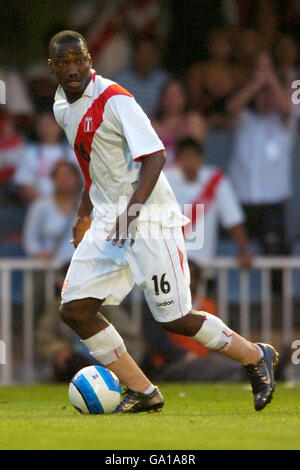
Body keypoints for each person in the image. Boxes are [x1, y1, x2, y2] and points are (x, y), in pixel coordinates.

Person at [48, 30, 279, 414]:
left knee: (176, 319)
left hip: (149, 218)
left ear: (91, 60)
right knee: (74, 309)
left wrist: (133, 212)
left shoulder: (115, 99)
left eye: (80, 59)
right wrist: (83, 212)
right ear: (53, 66)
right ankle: (143, 391)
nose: (73, 68)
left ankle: (255, 355)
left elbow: (155, 156)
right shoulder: (61, 106)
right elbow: (92, 165)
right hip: (108, 221)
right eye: (65, 62)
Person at [227, 53, 295, 271]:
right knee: (239, 261)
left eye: (270, 94)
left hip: (272, 206)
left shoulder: (285, 124)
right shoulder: (245, 120)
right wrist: (258, 82)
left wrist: (270, 78)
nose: (266, 98)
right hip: (242, 203)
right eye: (261, 95)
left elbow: (287, 108)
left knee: (275, 264)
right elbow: (231, 107)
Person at [164, 138, 252, 270]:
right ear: (178, 160)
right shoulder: (163, 179)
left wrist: (244, 250)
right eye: (185, 158)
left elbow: (233, 219)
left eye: (193, 158)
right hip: (169, 265)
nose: (190, 163)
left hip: (203, 266)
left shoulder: (216, 181)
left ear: (201, 159)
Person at [23, 161, 82, 263]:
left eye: (69, 176)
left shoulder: (88, 206)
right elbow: (30, 239)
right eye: (61, 176)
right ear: (53, 179)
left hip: (80, 267)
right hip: (50, 268)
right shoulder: (41, 206)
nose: (65, 180)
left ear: (77, 179)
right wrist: (39, 253)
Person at [13, 111, 76, 204]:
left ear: (59, 126)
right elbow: (24, 183)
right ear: (37, 128)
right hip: (39, 205)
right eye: (42, 125)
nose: (46, 128)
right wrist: (44, 204)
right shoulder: (29, 153)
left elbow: (81, 181)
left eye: (50, 124)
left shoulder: (72, 152)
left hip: (71, 205)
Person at [151, 79, 206, 168]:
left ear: (185, 97)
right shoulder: (151, 122)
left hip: (184, 173)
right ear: (162, 98)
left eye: (177, 95)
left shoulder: (193, 120)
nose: (172, 100)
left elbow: (196, 153)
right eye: (169, 95)